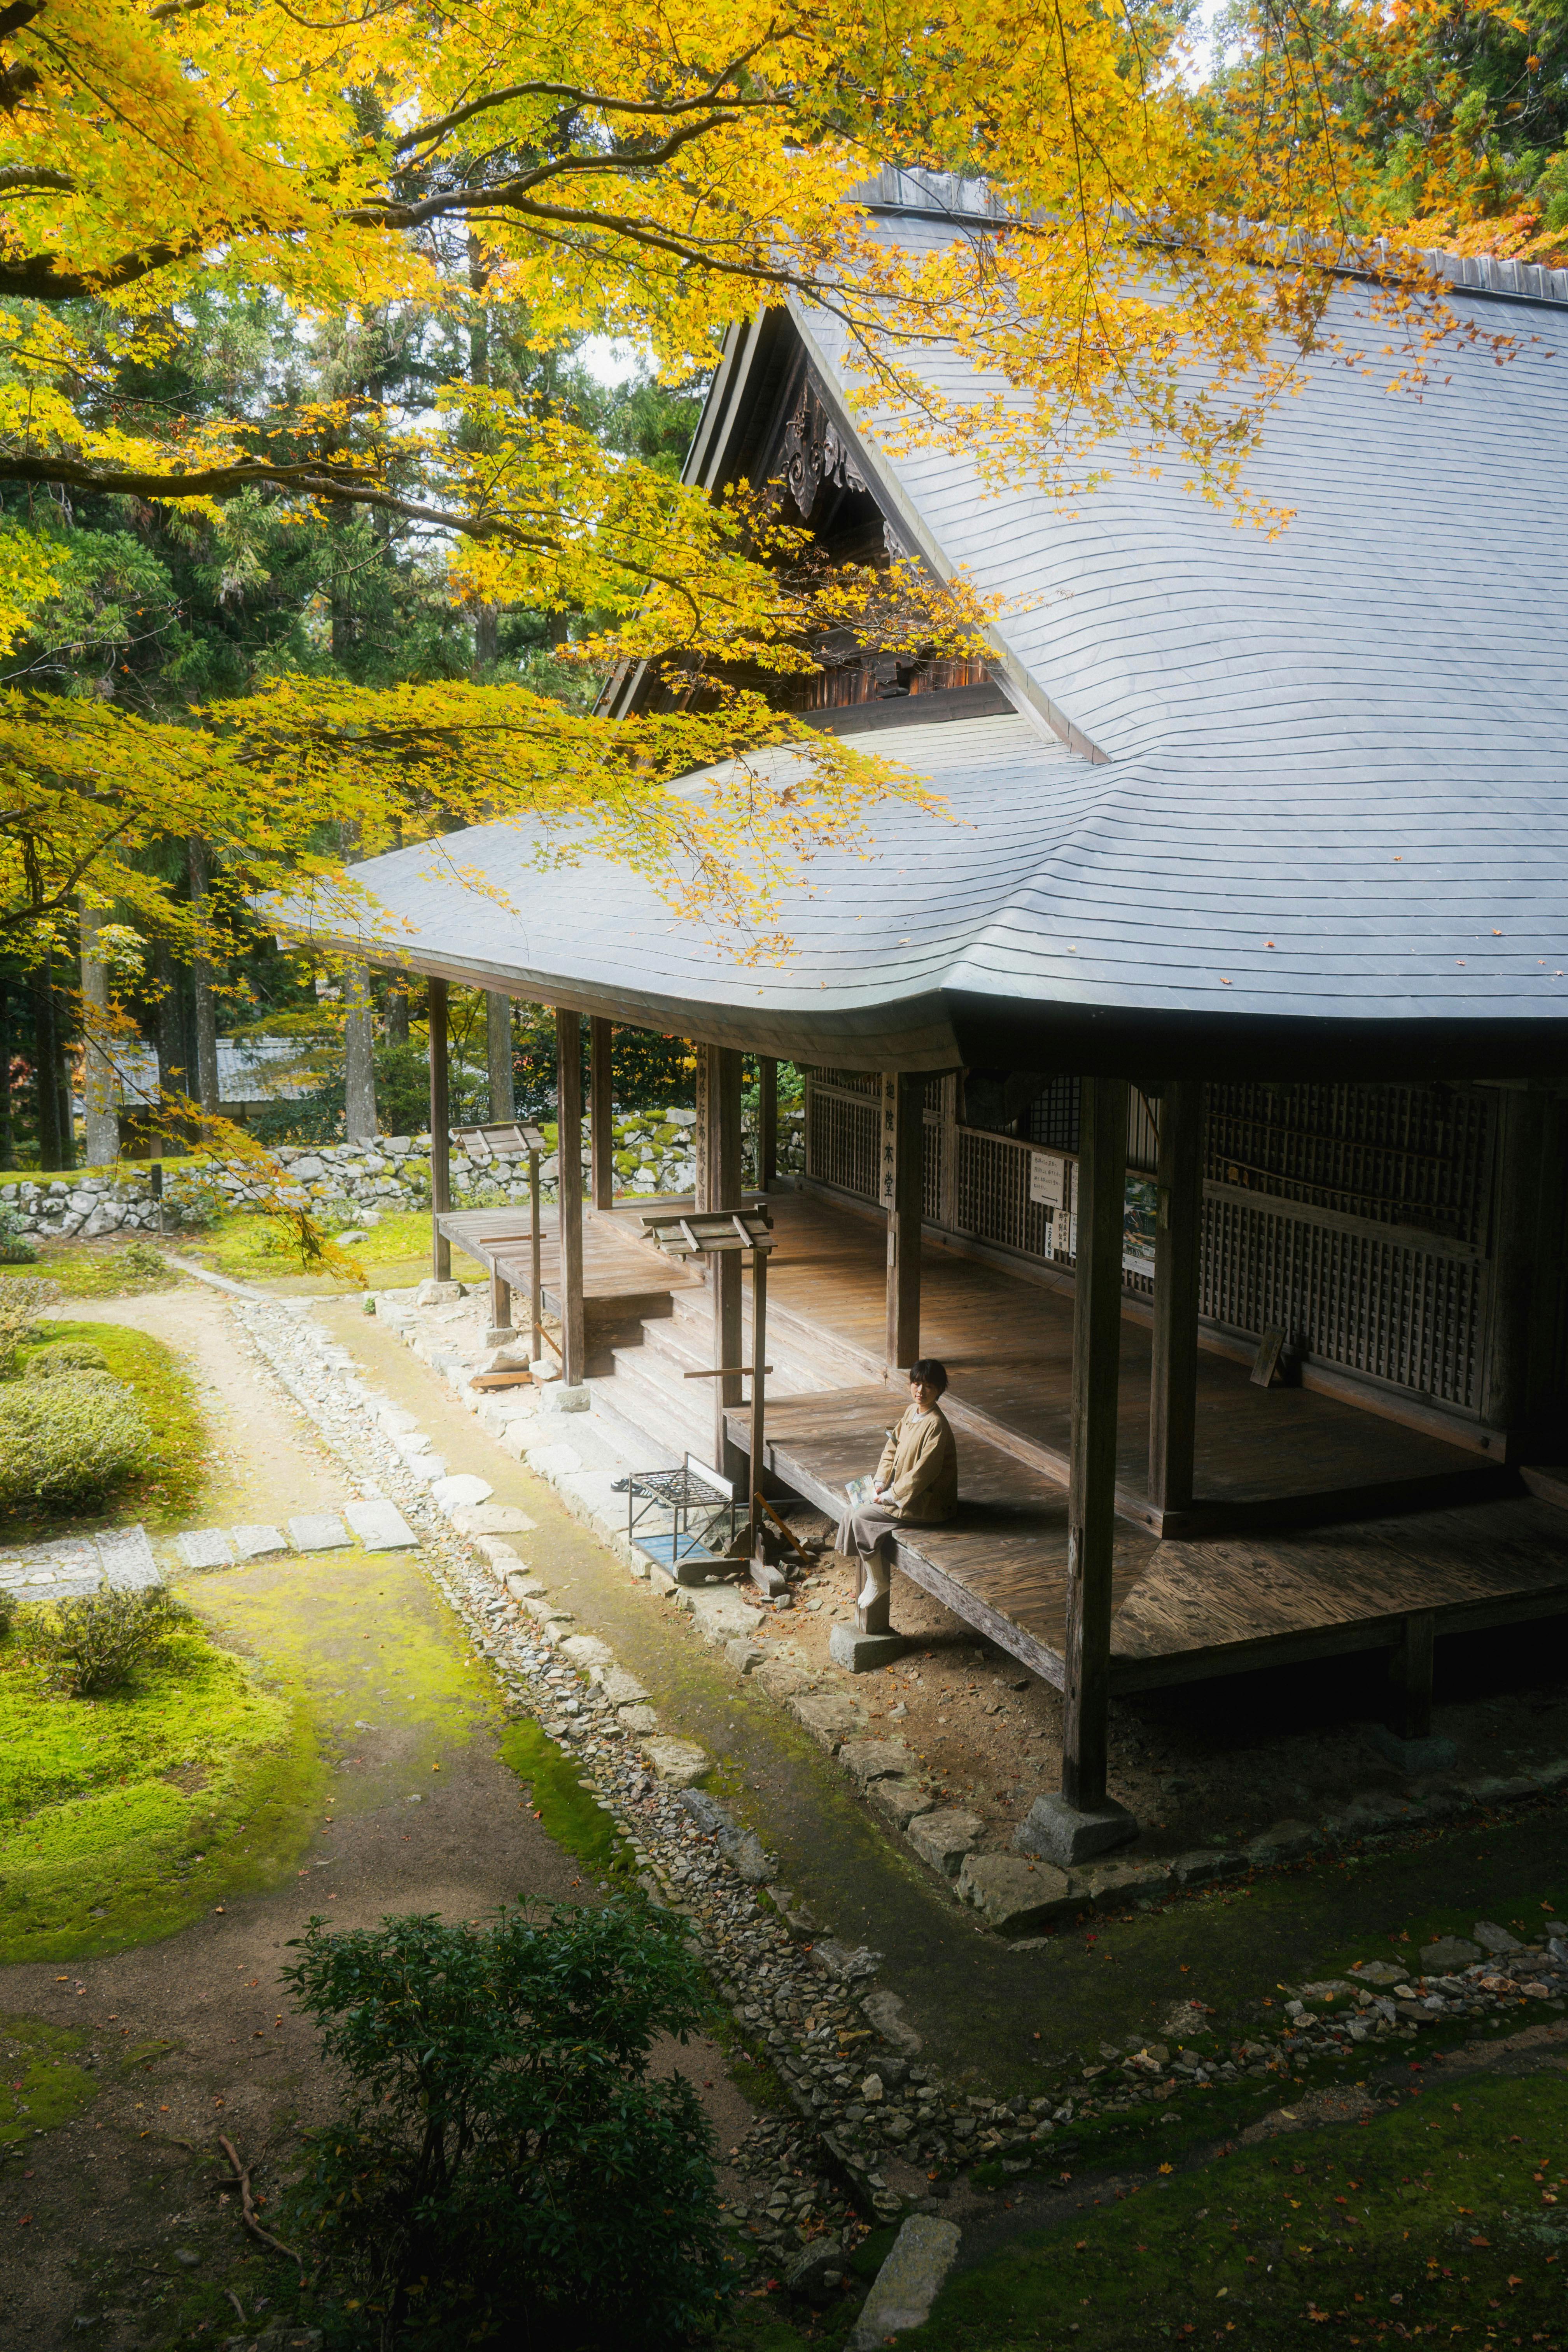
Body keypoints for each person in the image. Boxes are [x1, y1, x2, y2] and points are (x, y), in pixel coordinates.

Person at [839, 1358, 958, 1633]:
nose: (921, 1391)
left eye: (929, 1386)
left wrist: (891, 1496)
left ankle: (879, 1581)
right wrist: (880, 1482)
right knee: (852, 1509)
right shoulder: (911, 1412)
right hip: (901, 1493)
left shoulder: (937, 1424)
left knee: (862, 1518)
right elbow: (891, 1448)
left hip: (926, 1502)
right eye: (917, 1384)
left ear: (939, 1390)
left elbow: (923, 1474)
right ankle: (873, 1574)